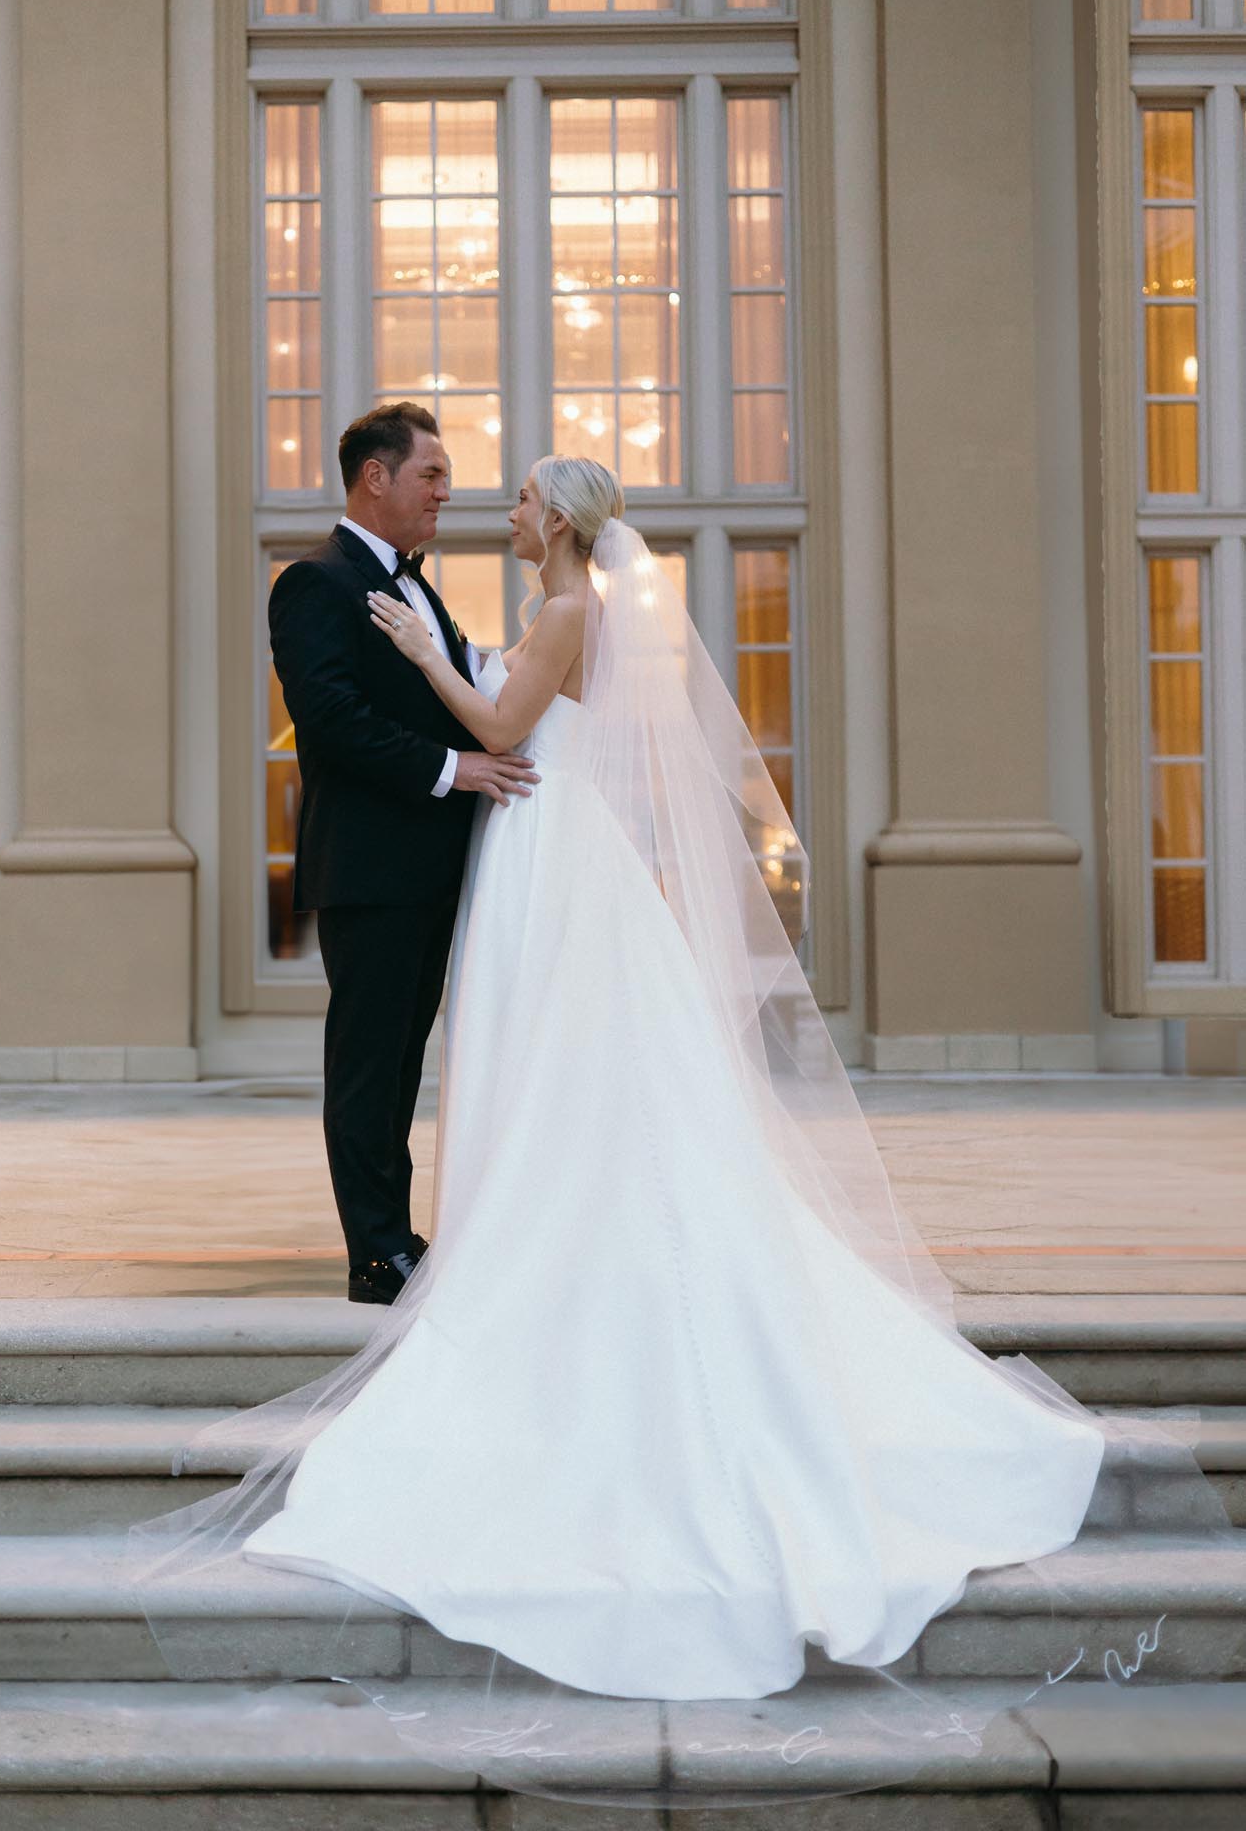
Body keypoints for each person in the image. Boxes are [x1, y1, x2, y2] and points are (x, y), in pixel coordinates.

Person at [132, 455, 1231, 1812]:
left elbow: (501, 727)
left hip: (547, 852)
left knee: (560, 1070)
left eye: (523, 497)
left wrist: (423, 649)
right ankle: (559, 1225)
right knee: (588, 1077)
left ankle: (542, 1243)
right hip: (561, 855)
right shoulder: (574, 604)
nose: (504, 508)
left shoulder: (560, 612)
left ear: (565, 521)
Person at [267, 401, 538, 1303]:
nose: (445, 491)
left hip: (427, 869)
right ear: (374, 477)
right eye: (430, 473)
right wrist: (451, 768)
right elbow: (333, 721)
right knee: (370, 1066)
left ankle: (401, 1235)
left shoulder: (415, 582)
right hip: (371, 869)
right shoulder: (314, 583)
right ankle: (378, 1253)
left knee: (402, 1065)